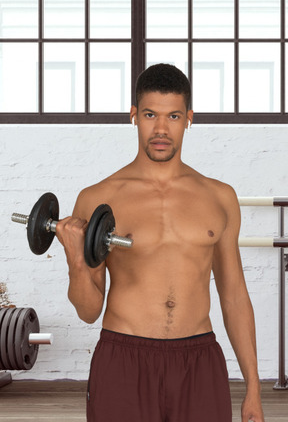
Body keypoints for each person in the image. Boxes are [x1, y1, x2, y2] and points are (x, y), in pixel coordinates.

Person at [56, 63, 265, 422]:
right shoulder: (98, 197)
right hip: (123, 357)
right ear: (134, 115)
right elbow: (89, 310)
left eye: (173, 116)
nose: (161, 129)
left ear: (189, 119)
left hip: (198, 359)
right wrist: (76, 258)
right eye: (151, 114)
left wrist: (254, 389)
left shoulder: (220, 197)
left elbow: (233, 296)